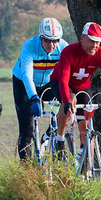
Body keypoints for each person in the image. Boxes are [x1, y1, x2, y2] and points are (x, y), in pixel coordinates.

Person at [50, 22, 101, 156]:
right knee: (71, 99)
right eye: (91, 41)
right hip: (60, 82)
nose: (95, 46)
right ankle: (60, 139)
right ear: (82, 38)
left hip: (82, 86)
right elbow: (64, 79)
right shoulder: (69, 51)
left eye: (98, 42)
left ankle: (85, 160)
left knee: (86, 124)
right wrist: (66, 102)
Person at [12, 18, 68, 160]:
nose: (52, 45)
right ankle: (26, 170)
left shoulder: (64, 47)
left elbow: (66, 76)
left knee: (65, 108)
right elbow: (27, 75)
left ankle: (49, 136)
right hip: (24, 83)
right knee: (27, 128)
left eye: (55, 41)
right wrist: (34, 97)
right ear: (41, 37)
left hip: (48, 83)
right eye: (48, 40)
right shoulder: (29, 46)